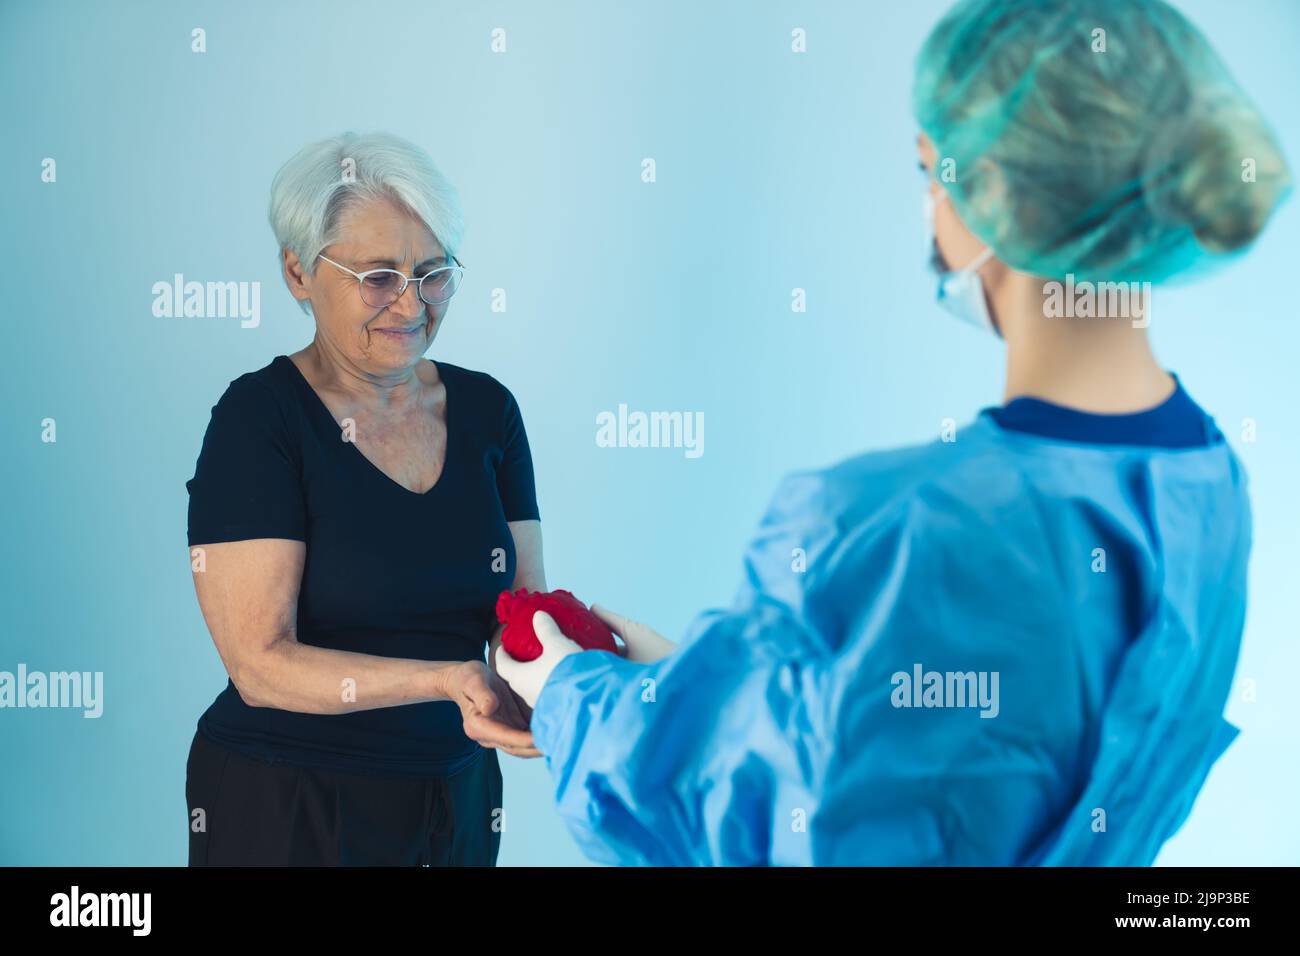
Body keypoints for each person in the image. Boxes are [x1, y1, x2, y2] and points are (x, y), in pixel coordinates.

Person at [495, 0, 1292, 865]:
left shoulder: (897, 526)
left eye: (931, 172)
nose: (930, 206)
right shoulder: (1210, 491)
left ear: (990, 190)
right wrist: (698, 681)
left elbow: (741, 825)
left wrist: (570, 690)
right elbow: (919, 753)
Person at [184, 131, 542, 866]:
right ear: (298, 272)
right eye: (378, 275)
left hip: (458, 797)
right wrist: (444, 679)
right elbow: (258, 665)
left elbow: (523, 619)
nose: (411, 305)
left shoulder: (488, 411)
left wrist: (573, 678)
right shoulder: (260, 419)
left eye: (433, 272)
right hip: (291, 804)